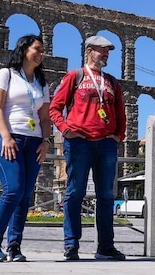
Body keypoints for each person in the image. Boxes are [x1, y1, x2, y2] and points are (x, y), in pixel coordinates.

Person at [49, 35, 126, 261]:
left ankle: (105, 247)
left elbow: (121, 113)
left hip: (106, 144)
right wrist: (65, 129)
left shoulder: (112, 82)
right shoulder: (76, 76)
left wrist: (118, 136)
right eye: (102, 50)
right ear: (90, 51)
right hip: (79, 142)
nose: (106, 54)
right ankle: (71, 245)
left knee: (106, 196)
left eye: (108, 51)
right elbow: (55, 108)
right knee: (75, 193)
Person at [0, 34, 52, 262]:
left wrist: (46, 141)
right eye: (37, 49)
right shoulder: (7, 74)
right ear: (24, 50)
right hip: (8, 138)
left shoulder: (42, 83)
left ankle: (14, 246)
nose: (41, 54)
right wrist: (5, 136)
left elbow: (44, 118)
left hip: (33, 142)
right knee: (13, 189)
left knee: (24, 196)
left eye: (43, 51)